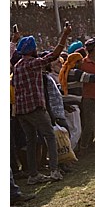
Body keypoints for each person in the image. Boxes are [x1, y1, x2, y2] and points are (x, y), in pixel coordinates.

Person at [12, 23, 72, 184]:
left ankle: (33, 174)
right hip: (35, 108)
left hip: (21, 111)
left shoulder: (17, 67)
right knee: (49, 137)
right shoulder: (32, 63)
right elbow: (53, 55)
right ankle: (54, 170)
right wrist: (65, 35)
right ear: (32, 50)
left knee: (31, 141)